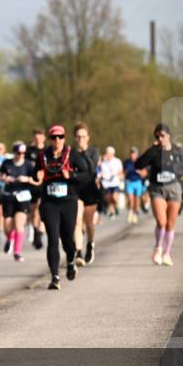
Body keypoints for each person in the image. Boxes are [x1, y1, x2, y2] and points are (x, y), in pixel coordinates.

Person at [35, 124, 85, 290]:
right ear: (50, 139)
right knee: (52, 238)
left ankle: (71, 261)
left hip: (68, 201)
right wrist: (37, 176)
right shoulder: (42, 156)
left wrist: (71, 175)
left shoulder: (72, 154)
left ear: (64, 138)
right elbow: (34, 177)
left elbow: (87, 174)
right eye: (54, 137)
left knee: (67, 239)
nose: (57, 140)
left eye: (60, 137)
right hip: (49, 202)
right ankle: (55, 276)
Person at [135, 123, 183, 266]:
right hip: (157, 189)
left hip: (173, 188)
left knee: (171, 224)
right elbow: (138, 164)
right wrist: (152, 149)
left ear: (169, 136)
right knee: (162, 222)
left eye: (162, 136)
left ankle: (167, 253)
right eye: (157, 136)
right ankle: (158, 248)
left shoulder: (177, 151)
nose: (160, 138)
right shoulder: (154, 151)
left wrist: (178, 173)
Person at [0, 141, 38, 263]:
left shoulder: (28, 165)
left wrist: (27, 179)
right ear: (14, 152)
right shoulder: (7, 163)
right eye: (19, 153)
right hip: (9, 196)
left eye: (23, 153)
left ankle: (17, 252)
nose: (21, 155)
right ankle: (10, 239)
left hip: (23, 197)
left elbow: (37, 180)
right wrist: (5, 178)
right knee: (7, 225)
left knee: (19, 223)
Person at [72, 123, 100, 267]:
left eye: (83, 136)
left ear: (88, 137)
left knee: (88, 222)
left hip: (90, 189)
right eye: (78, 137)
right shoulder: (71, 153)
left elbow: (92, 168)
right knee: (77, 221)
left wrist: (84, 153)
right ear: (74, 138)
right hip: (76, 190)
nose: (81, 139)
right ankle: (78, 252)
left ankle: (90, 243)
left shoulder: (94, 151)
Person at [26, 128, 47, 249]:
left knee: (40, 210)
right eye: (36, 136)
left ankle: (39, 233)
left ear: (44, 137)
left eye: (40, 135)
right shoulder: (29, 151)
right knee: (34, 212)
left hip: (44, 185)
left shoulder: (47, 151)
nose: (38, 138)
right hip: (32, 185)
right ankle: (36, 231)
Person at [98, 146, 125, 219]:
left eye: (109, 153)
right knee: (108, 198)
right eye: (106, 153)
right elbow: (99, 171)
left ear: (112, 154)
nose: (107, 155)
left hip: (115, 183)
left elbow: (121, 171)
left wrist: (119, 176)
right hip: (106, 184)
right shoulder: (103, 162)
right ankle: (112, 212)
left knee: (114, 198)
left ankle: (115, 206)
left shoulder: (117, 161)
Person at [124, 147, 147, 223]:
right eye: (131, 153)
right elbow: (123, 172)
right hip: (129, 182)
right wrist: (125, 173)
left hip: (138, 182)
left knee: (136, 200)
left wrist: (140, 172)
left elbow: (145, 173)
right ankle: (130, 211)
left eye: (134, 153)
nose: (132, 155)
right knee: (131, 200)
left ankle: (135, 213)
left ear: (137, 154)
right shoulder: (127, 162)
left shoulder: (140, 162)